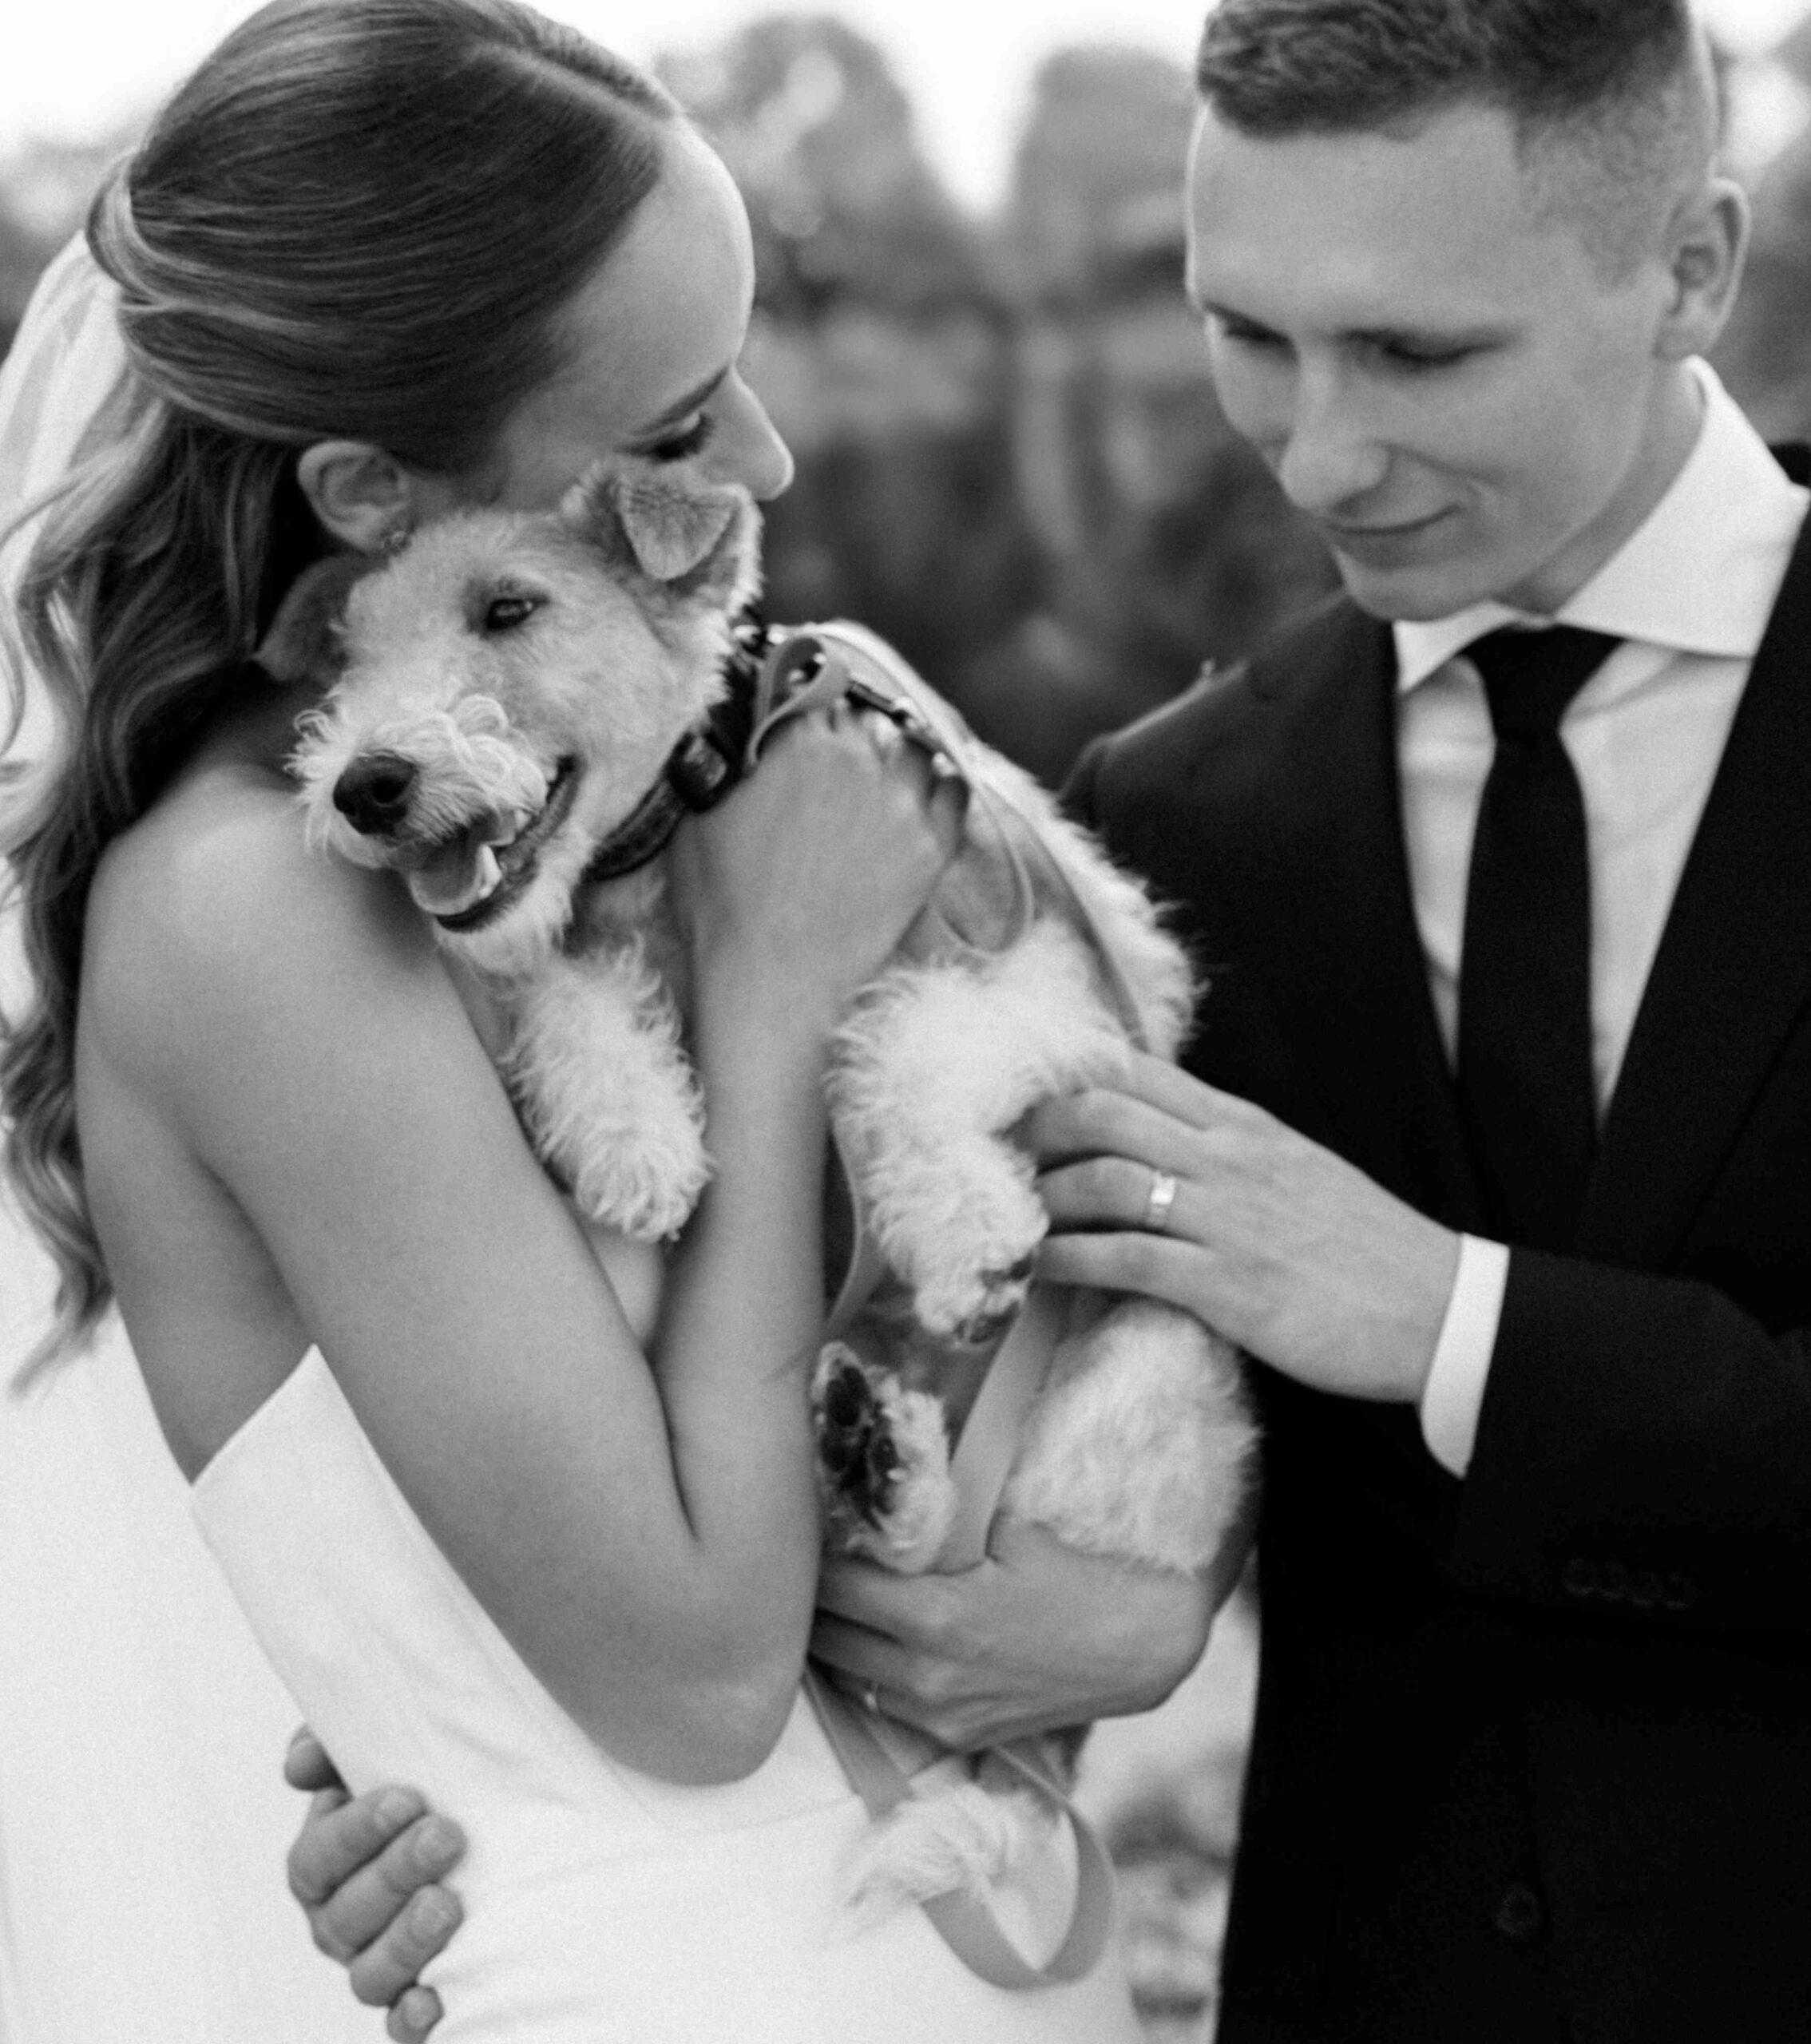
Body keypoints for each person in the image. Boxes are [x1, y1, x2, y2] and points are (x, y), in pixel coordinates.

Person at [315, 2, 1811, 2039]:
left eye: (1415, 352)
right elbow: (811, 1382)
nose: (1313, 451)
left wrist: (1447, 1320)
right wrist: (452, 1748)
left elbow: (1411, 1346)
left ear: (1692, 268)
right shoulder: (1173, 814)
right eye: (1243, 332)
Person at [0, 1, 1165, 2037]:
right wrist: (775, 985)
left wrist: (1130, 1604)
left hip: (912, 1917)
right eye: (673, 424)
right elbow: (695, 1672)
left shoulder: (589, 823)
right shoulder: (251, 909)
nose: (760, 461)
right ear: (367, 493)